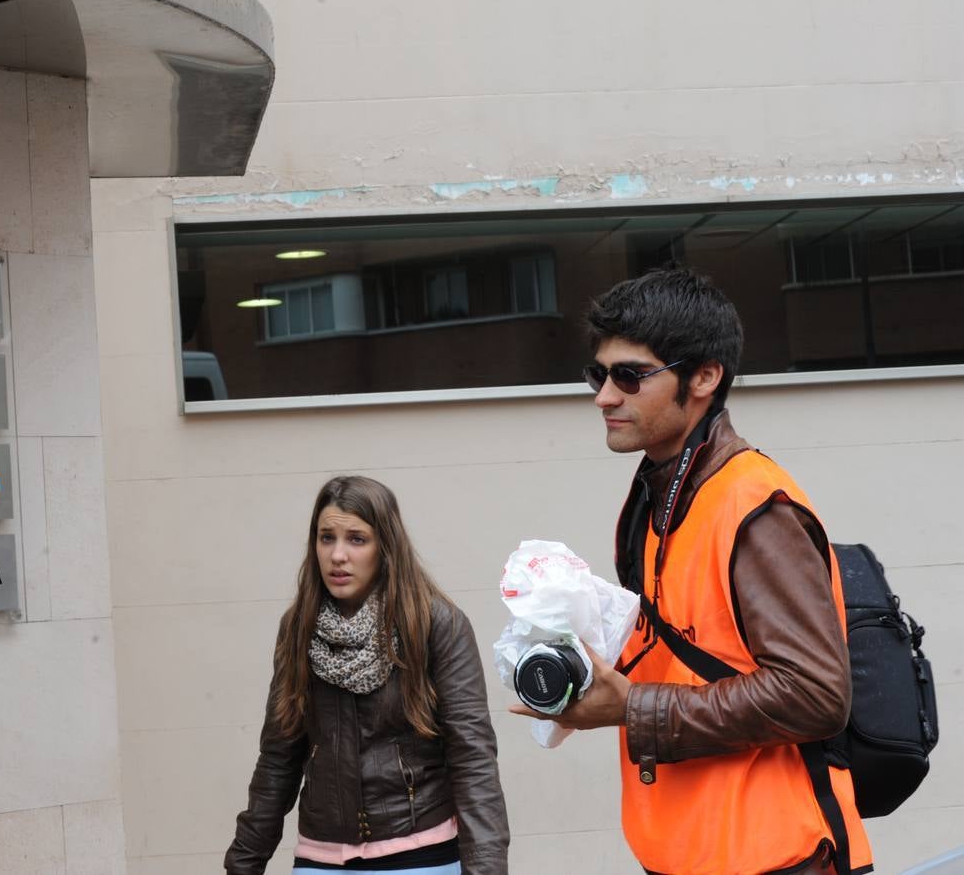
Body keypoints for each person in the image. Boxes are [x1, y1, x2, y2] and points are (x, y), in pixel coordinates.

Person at [509, 267, 873, 875]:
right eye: (598, 375)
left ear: (704, 377)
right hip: (688, 851)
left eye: (629, 375)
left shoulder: (754, 505)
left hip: (779, 858)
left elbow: (816, 696)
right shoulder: (658, 498)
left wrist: (632, 708)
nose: (604, 396)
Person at [226, 475, 509, 875]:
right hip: (320, 857)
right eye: (327, 538)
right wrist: (243, 862)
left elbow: (472, 755)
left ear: (385, 547)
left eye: (356, 539)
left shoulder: (434, 624)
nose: (338, 555)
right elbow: (279, 757)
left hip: (421, 855)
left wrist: (487, 869)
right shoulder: (299, 628)